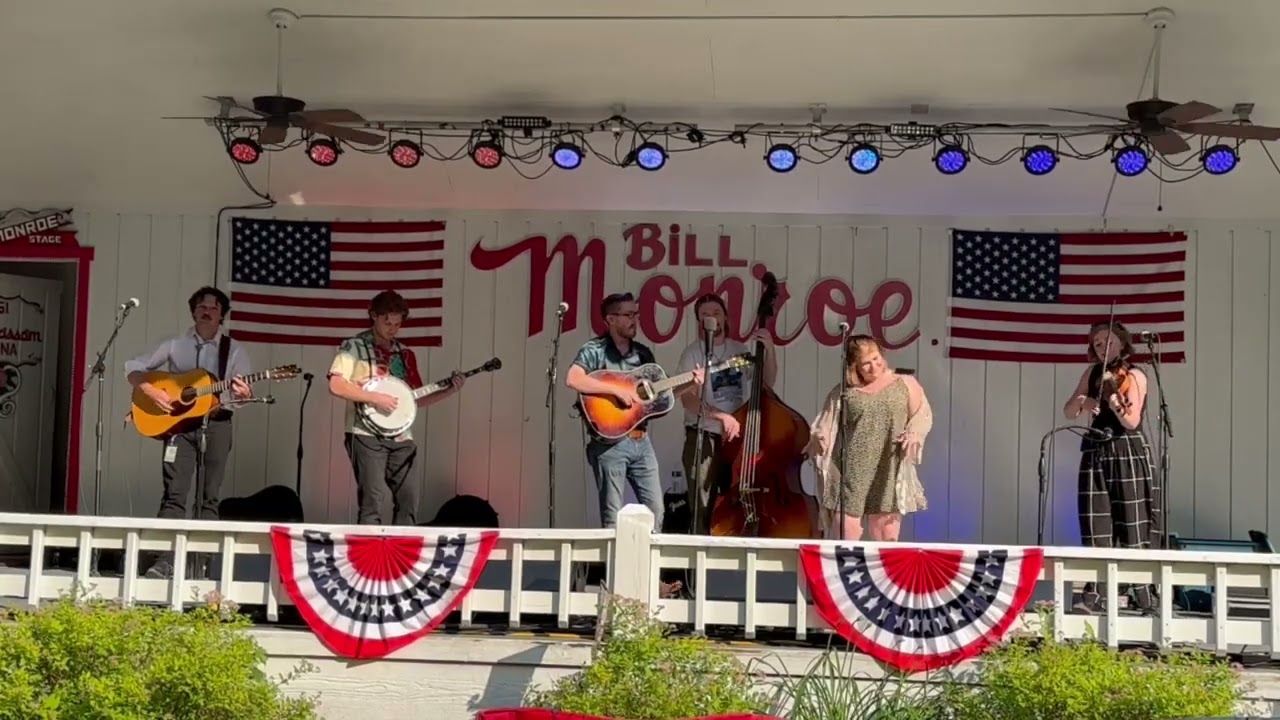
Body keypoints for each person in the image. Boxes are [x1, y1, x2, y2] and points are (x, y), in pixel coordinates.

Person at [125, 286, 253, 578]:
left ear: (222, 315)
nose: (207, 312)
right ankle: (163, 562)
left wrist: (243, 395)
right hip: (179, 427)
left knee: (209, 497)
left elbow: (238, 398)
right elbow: (134, 367)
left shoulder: (233, 351)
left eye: (213, 308)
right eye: (202, 307)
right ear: (193, 311)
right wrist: (152, 392)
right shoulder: (174, 344)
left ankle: (201, 565)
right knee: (174, 494)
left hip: (217, 424)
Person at [565, 292, 703, 531]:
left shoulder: (643, 354)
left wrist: (692, 382)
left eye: (636, 315)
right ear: (611, 319)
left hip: (642, 442)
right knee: (612, 516)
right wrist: (615, 391)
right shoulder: (595, 349)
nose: (634, 320)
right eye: (628, 315)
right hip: (610, 443)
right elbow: (573, 379)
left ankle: (646, 566)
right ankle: (616, 567)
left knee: (656, 511)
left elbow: (658, 398)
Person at [327, 290, 465, 526]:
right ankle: (370, 555)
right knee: (372, 498)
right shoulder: (354, 347)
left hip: (401, 434)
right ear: (373, 316)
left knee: (409, 496)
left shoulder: (405, 353)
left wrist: (450, 389)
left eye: (397, 324)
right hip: (364, 432)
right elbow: (336, 384)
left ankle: (403, 552)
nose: (392, 328)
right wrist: (374, 398)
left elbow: (415, 399)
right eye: (387, 322)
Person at [1062, 320, 1159, 613]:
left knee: (1132, 522)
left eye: (1109, 342)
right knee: (1096, 523)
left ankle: (1144, 597)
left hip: (1126, 450)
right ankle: (1094, 597)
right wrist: (1084, 399)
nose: (1103, 347)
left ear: (1122, 343)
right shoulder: (1092, 372)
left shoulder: (1134, 374)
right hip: (1096, 447)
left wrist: (1115, 400)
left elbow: (1131, 421)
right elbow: (1068, 412)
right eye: (1098, 343)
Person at [806, 334, 933, 542]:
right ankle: (844, 571)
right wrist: (820, 436)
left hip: (887, 465)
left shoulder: (904, 383)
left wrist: (914, 433)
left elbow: (922, 414)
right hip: (849, 470)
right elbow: (825, 423)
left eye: (876, 359)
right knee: (845, 532)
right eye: (866, 364)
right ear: (854, 367)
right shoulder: (845, 391)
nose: (874, 366)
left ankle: (883, 573)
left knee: (886, 534)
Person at [675, 293, 776, 534]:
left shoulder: (738, 351)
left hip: (737, 440)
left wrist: (770, 350)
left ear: (725, 317)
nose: (712, 318)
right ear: (699, 321)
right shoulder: (692, 353)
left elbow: (766, 383)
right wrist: (721, 417)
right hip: (704, 437)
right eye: (705, 315)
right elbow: (687, 400)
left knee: (738, 503)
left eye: (716, 313)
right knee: (702, 505)